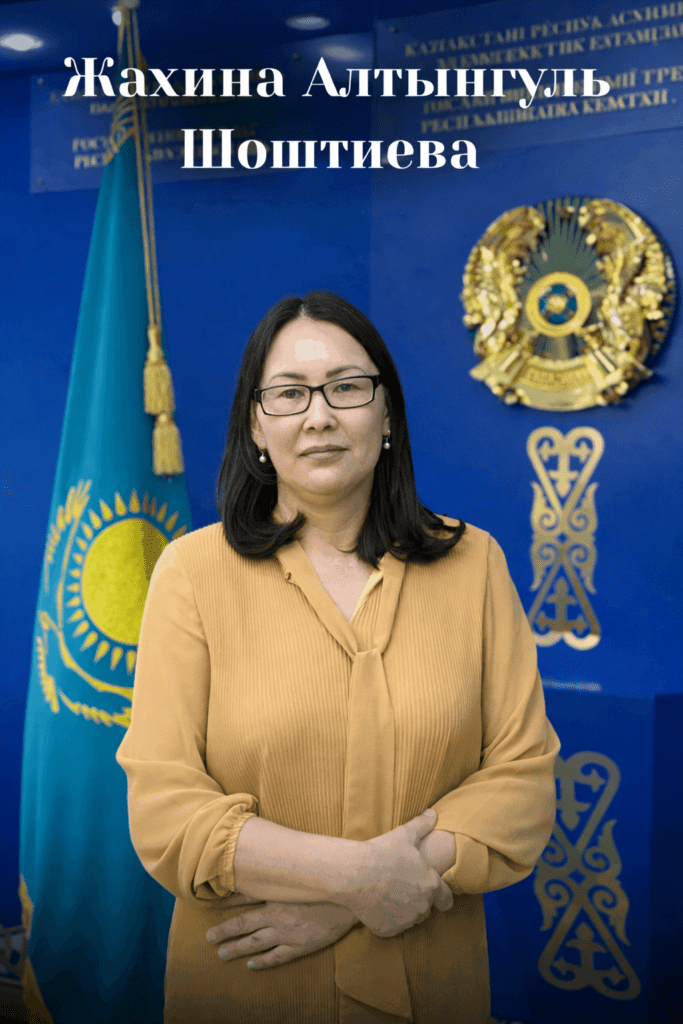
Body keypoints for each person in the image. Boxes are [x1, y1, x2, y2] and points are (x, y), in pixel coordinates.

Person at [116, 291, 561, 1024]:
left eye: (347, 388)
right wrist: (359, 881)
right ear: (256, 425)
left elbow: (522, 782)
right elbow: (168, 811)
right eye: (289, 393)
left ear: (387, 416)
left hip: (431, 981)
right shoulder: (191, 573)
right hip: (247, 980)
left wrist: (340, 905)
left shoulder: (475, 564)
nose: (318, 416)